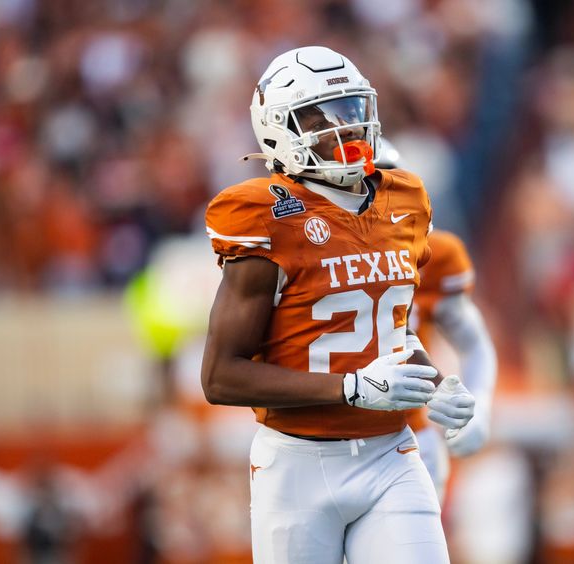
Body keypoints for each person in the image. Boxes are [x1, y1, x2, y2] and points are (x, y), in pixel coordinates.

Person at [200, 45, 476, 564]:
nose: (345, 129)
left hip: (390, 454)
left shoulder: (405, 199)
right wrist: (349, 388)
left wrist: (437, 385)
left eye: (352, 111)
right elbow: (220, 377)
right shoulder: (263, 214)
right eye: (322, 118)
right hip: (297, 465)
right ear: (279, 128)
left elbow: (387, 331)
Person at [377, 140, 497, 502]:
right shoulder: (304, 251)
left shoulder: (434, 255)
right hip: (319, 438)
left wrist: (478, 409)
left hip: (407, 436)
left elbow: (474, 344)